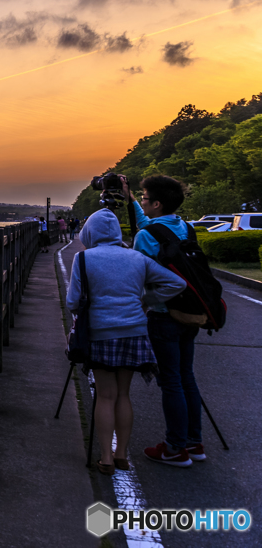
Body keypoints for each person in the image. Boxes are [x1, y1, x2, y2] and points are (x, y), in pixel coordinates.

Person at [67, 208, 186, 475]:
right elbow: (176, 283)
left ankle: (105, 458)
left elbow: (72, 302)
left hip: (101, 333)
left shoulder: (83, 258)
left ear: (89, 232)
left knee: (105, 396)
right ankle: (122, 455)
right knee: (123, 395)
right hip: (135, 332)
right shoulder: (137, 258)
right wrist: (145, 301)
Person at [123, 174, 205, 467]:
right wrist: (130, 198)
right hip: (190, 312)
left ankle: (174, 448)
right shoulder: (185, 227)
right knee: (186, 376)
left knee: (170, 381)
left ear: (157, 203)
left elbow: (137, 275)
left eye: (145, 198)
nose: (143, 203)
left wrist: (143, 303)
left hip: (163, 315)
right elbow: (150, 226)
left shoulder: (146, 236)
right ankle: (194, 443)